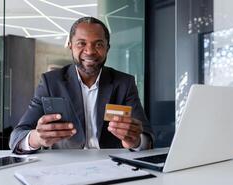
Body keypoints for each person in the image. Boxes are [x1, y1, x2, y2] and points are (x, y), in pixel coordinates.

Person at [9, 17, 154, 154]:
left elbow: (147, 139)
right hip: (65, 167)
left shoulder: (124, 83)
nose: (90, 51)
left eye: (98, 44)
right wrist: (37, 138)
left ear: (107, 48)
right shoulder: (51, 82)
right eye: (81, 43)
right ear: (70, 46)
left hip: (111, 164)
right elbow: (16, 137)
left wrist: (136, 141)